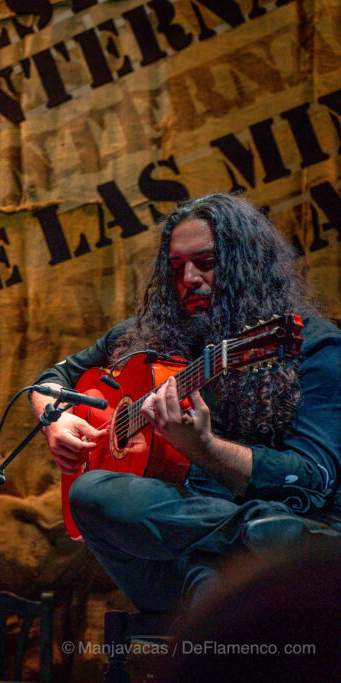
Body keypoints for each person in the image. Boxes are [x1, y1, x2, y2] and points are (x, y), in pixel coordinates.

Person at [29, 193, 341, 613]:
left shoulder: (313, 345)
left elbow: (312, 479)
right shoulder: (147, 334)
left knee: (216, 578)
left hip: (288, 562)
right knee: (88, 493)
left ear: (248, 264)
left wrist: (205, 450)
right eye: (176, 268)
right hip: (185, 546)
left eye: (206, 263)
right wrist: (56, 422)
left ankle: (233, 551)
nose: (189, 279)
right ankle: (242, 533)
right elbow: (52, 380)